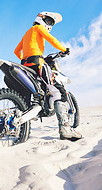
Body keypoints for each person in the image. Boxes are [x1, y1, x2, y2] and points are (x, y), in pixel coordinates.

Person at [14, 11, 82, 141]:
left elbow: (16, 51)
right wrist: (64, 49)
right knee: (58, 92)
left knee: (37, 90)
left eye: (51, 23)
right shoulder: (39, 28)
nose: (49, 25)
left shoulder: (27, 33)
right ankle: (65, 129)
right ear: (41, 18)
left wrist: (25, 58)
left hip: (25, 65)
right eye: (49, 21)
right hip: (37, 63)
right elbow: (51, 39)